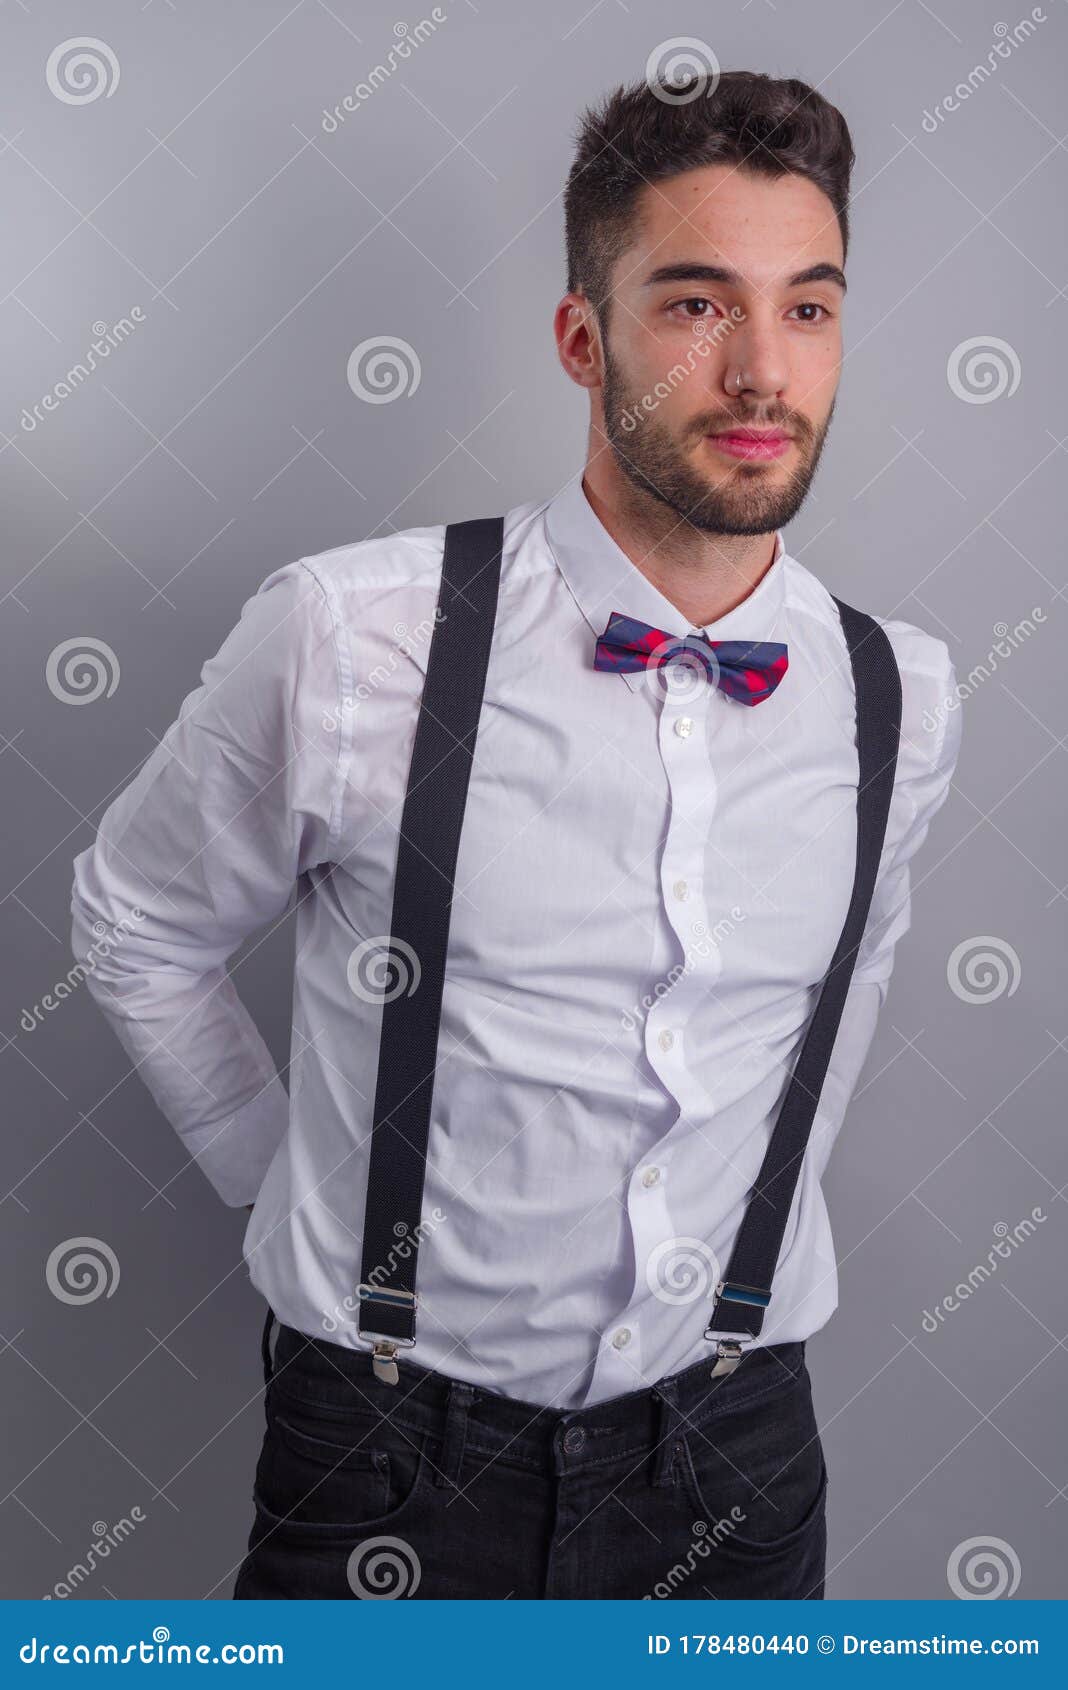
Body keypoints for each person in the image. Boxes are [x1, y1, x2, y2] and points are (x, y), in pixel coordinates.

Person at [70, 68, 961, 1600]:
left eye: (807, 309)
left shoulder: (907, 695)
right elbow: (135, 917)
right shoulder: (352, 636)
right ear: (580, 337)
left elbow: (840, 995)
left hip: (738, 1463)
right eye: (695, 305)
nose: (762, 369)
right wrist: (279, 1181)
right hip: (391, 1453)